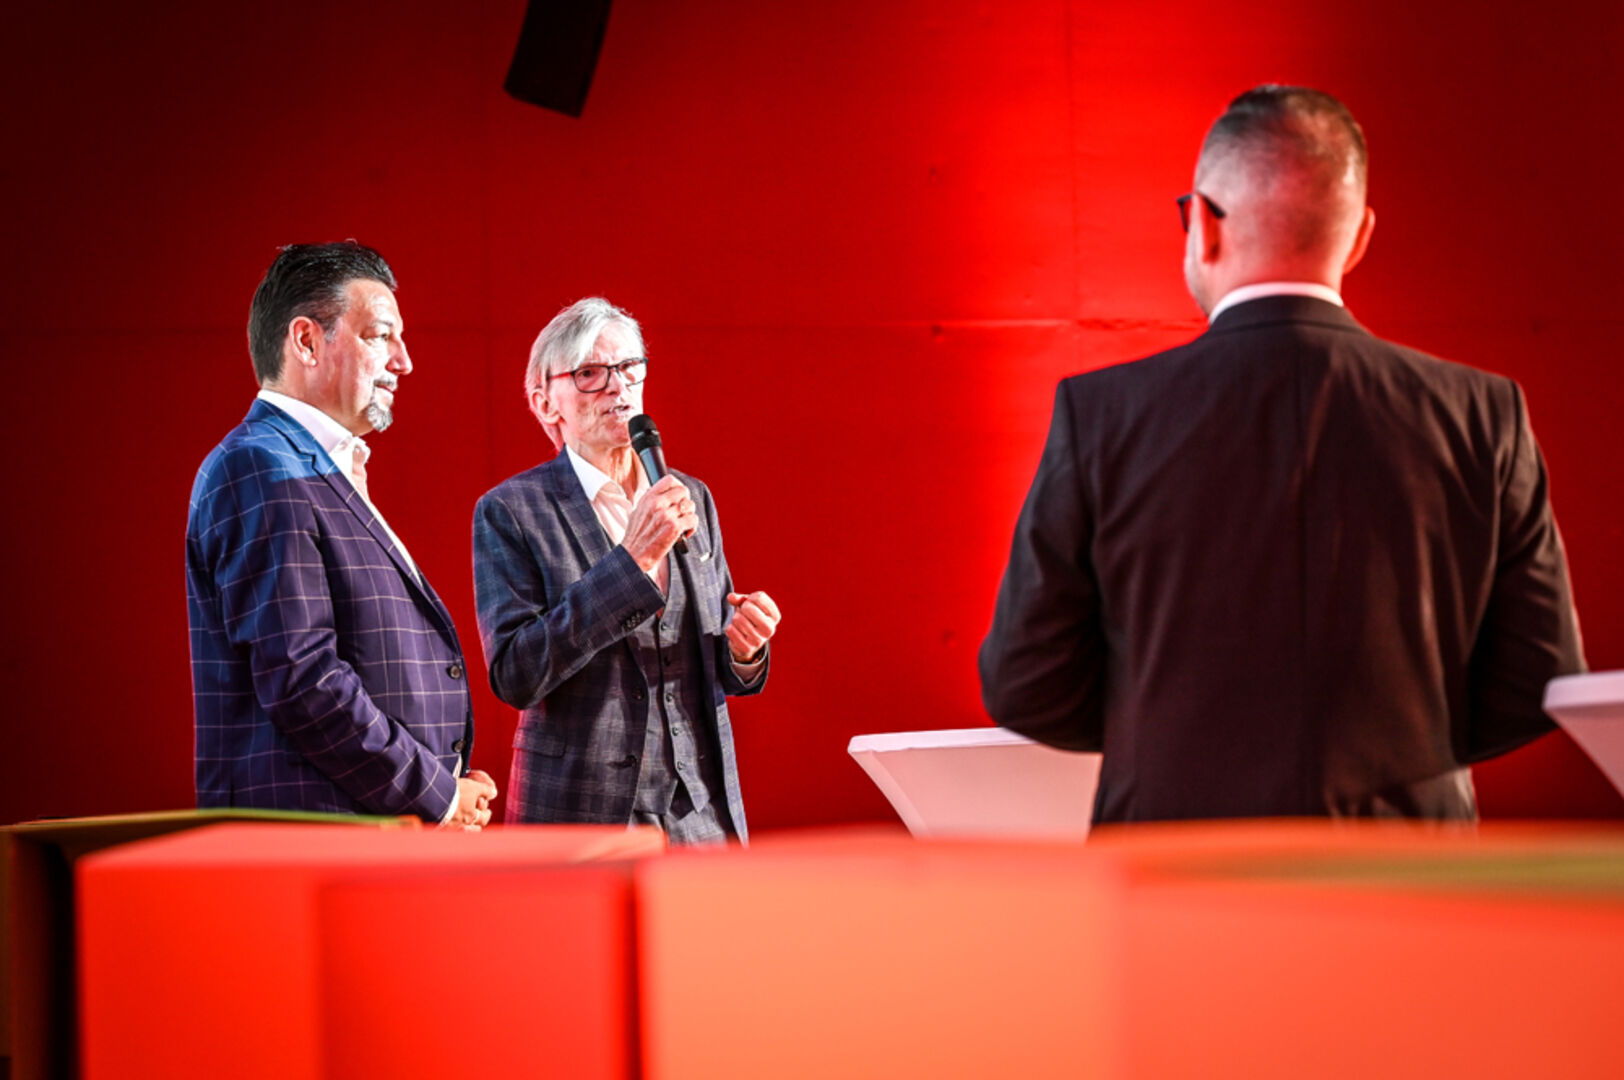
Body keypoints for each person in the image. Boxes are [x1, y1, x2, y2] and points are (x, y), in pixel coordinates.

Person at [979, 86, 1585, 823]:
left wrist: (1159, 738)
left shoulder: (1102, 416)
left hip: (1173, 866)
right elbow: (1538, 680)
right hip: (1412, 874)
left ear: (1204, 225)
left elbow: (1027, 684)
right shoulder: (1484, 415)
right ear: (1357, 237)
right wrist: (1414, 746)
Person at [187, 242, 497, 828]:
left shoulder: (311, 465)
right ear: (306, 341)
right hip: (316, 844)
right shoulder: (261, 467)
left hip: (372, 831)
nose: (404, 362)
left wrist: (446, 779)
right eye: (380, 336)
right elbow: (304, 679)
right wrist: (435, 792)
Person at [472, 297, 780, 844]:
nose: (618, 386)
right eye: (590, 373)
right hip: (579, 812)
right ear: (546, 404)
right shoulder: (512, 510)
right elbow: (517, 674)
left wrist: (744, 650)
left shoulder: (689, 496)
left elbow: (714, 659)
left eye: (629, 366)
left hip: (698, 814)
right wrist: (631, 562)